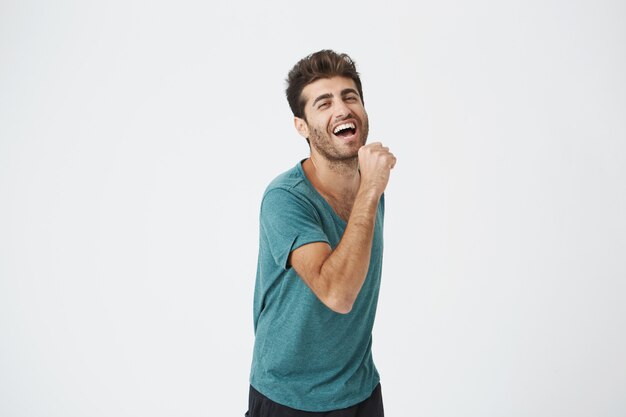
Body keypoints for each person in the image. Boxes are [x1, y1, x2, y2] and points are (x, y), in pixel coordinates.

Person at [246, 50, 396, 417]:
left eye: (350, 97)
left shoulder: (369, 186)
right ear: (302, 125)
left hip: (359, 390)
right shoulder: (285, 199)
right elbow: (338, 293)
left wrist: (370, 188)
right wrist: (371, 189)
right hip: (288, 397)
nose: (342, 109)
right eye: (324, 103)